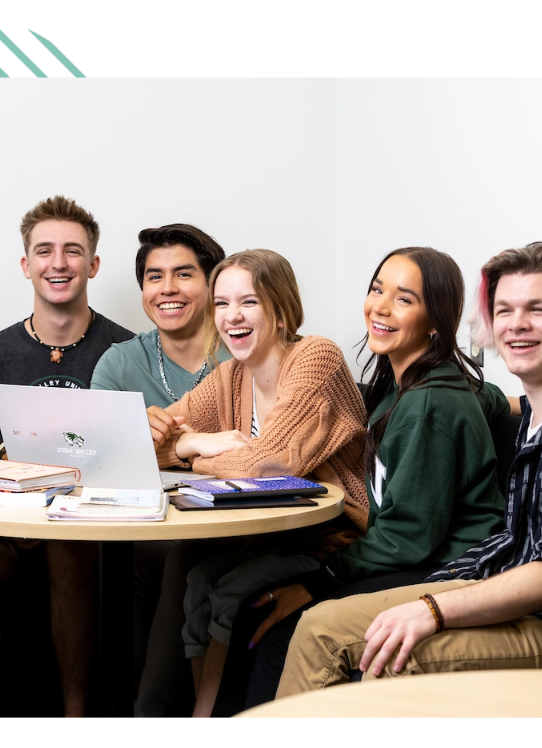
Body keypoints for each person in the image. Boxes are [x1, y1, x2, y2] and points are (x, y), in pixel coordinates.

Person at [275, 242, 542, 697]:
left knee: (380, 657)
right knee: (318, 627)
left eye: (537, 309)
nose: (516, 324)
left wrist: (432, 610)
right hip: (515, 590)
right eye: (504, 310)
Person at [215, 247, 511, 713]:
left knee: (276, 630)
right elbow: (486, 395)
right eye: (377, 290)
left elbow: (407, 538)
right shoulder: (410, 384)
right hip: (412, 556)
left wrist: (320, 579)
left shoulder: (428, 403)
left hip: (449, 569)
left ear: (436, 321)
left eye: (404, 299)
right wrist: (518, 403)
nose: (380, 307)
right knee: (253, 608)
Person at [146, 249, 368, 717]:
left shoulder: (316, 358)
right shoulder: (230, 376)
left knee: (229, 589)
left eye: (248, 302)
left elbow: (268, 466)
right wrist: (192, 443)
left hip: (332, 540)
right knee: (197, 582)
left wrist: (194, 452)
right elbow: (150, 441)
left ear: (281, 310)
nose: (232, 316)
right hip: (268, 535)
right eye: (221, 304)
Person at [0, 195, 134, 717]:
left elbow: (134, 463)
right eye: (44, 251)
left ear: (93, 265)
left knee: (68, 544)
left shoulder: (126, 352)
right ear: (26, 265)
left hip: (90, 531)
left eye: (73, 251)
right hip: (8, 530)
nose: (58, 263)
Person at [87, 224, 232, 717]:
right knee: (120, 561)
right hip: (148, 524)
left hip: (230, 523)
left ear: (213, 283)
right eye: (154, 277)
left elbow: (263, 451)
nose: (167, 288)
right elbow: (95, 461)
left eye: (184, 274)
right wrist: (134, 439)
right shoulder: (120, 362)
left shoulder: (243, 347)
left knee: (182, 559)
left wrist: (171, 448)